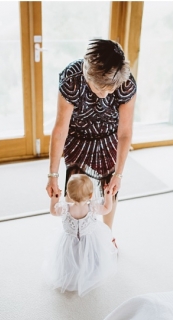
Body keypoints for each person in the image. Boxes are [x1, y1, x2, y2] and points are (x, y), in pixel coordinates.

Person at [46, 39, 137, 233]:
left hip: (109, 136)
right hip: (77, 136)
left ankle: (107, 232)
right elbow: (60, 130)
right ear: (87, 75)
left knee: (109, 188)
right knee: (75, 185)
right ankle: (74, 232)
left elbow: (125, 132)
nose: (105, 95)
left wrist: (118, 174)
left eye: (110, 90)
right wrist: (52, 175)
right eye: (99, 88)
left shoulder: (125, 83)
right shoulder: (72, 78)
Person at [44, 174, 118, 297]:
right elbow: (107, 209)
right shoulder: (92, 207)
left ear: (68, 194)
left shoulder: (65, 208)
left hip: (69, 242)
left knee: (69, 258)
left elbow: (53, 211)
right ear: (90, 195)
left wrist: (55, 198)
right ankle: (90, 274)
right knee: (91, 258)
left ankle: (70, 275)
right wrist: (108, 194)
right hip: (90, 241)